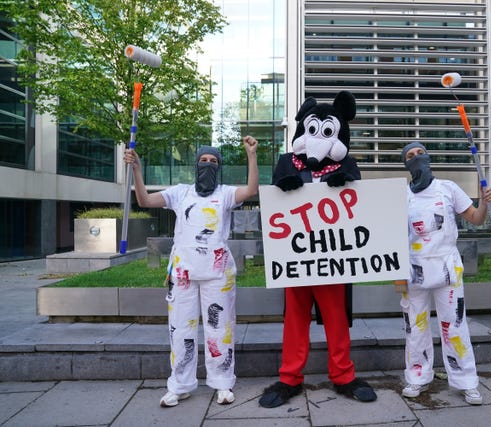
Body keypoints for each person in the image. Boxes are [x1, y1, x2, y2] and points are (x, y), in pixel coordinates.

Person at [258, 91, 377, 408]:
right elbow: (274, 197)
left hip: (333, 259)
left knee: (336, 318)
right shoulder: (287, 162)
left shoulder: (347, 163)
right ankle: (289, 378)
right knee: (295, 319)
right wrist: (283, 184)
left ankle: (343, 375)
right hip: (296, 258)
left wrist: (345, 180)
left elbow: (358, 197)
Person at [124, 135, 259, 408]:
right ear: (195, 164)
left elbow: (252, 190)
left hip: (218, 275)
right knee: (180, 331)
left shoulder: (226, 193)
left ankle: (222, 384)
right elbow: (144, 200)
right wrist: (137, 170)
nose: (207, 164)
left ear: (218, 167)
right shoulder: (180, 192)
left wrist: (252, 156)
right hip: (183, 274)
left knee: (220, 329)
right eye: (203, 160)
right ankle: (180, 385)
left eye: (213, 161)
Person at [399, 141, 491, 405]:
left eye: (420, 152)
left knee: (454, 326)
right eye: (410, 155)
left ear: (428, 156)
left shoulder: (448, 188)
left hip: (447, 268)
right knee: (415, 328)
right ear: (405, 164)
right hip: (412, 271)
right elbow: (392, 236)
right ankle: (417, 377)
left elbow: (476, 218)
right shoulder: (401, 195)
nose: (417, 157)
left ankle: (467, 382)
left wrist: (484, 203)